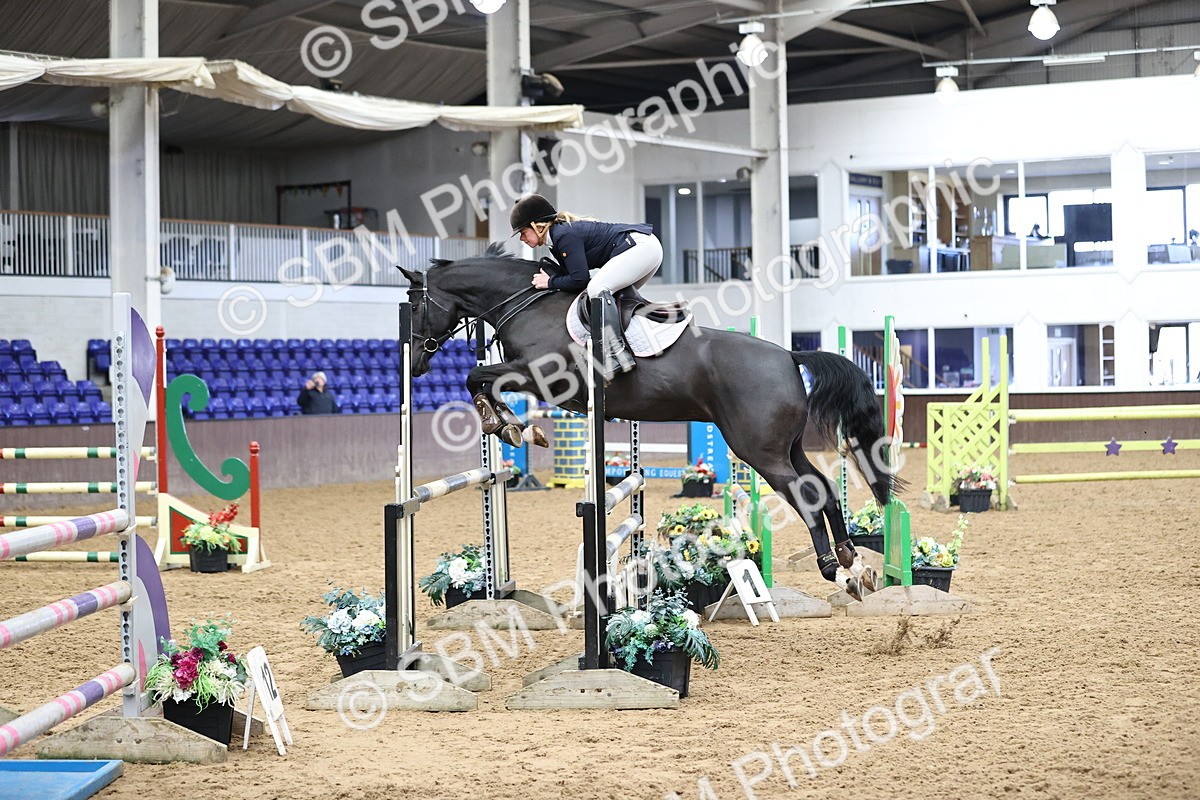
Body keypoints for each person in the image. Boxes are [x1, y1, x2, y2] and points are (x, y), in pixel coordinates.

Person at [509, 193, 663, 375]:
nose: (521, 238)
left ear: (538, 226)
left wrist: (549, 282)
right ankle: (635, 344)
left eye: (523, 232)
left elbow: (579, 279)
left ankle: (616, 352)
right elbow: (575, 279)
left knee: (597, 289)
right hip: (645, 248)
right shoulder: (557, 240)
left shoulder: (563, 235)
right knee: (610, 298)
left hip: (641, 247)